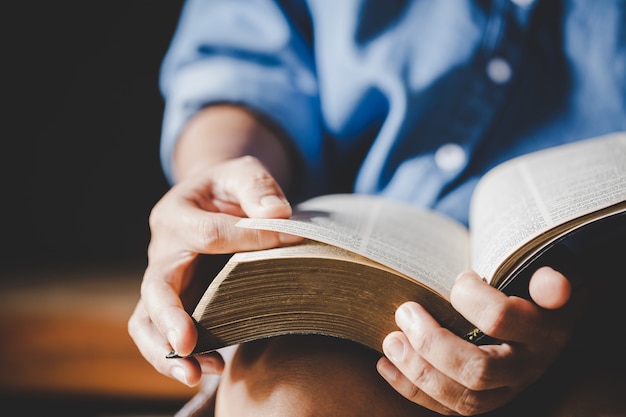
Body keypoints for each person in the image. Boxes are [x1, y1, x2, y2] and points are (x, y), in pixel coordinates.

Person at [128, 0, 626, 415]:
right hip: (339, 282)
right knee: (292, 394)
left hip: (598, 308)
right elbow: (244, 61)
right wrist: (218, 173)